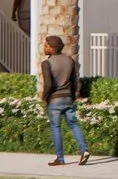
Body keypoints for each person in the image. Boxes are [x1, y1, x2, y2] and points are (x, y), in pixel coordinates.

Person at [38, 35, 89, 166]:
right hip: (68, 98)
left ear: (53, 48)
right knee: (74, 125)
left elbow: (48, 85)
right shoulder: (69, 61)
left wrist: (44, 98)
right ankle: (84, 150)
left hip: (54, 100)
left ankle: (60, 158)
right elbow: (74, 82)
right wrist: (72, 97)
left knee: (56, 128)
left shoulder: (46, 63)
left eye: (46, 46)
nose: (44, 48)